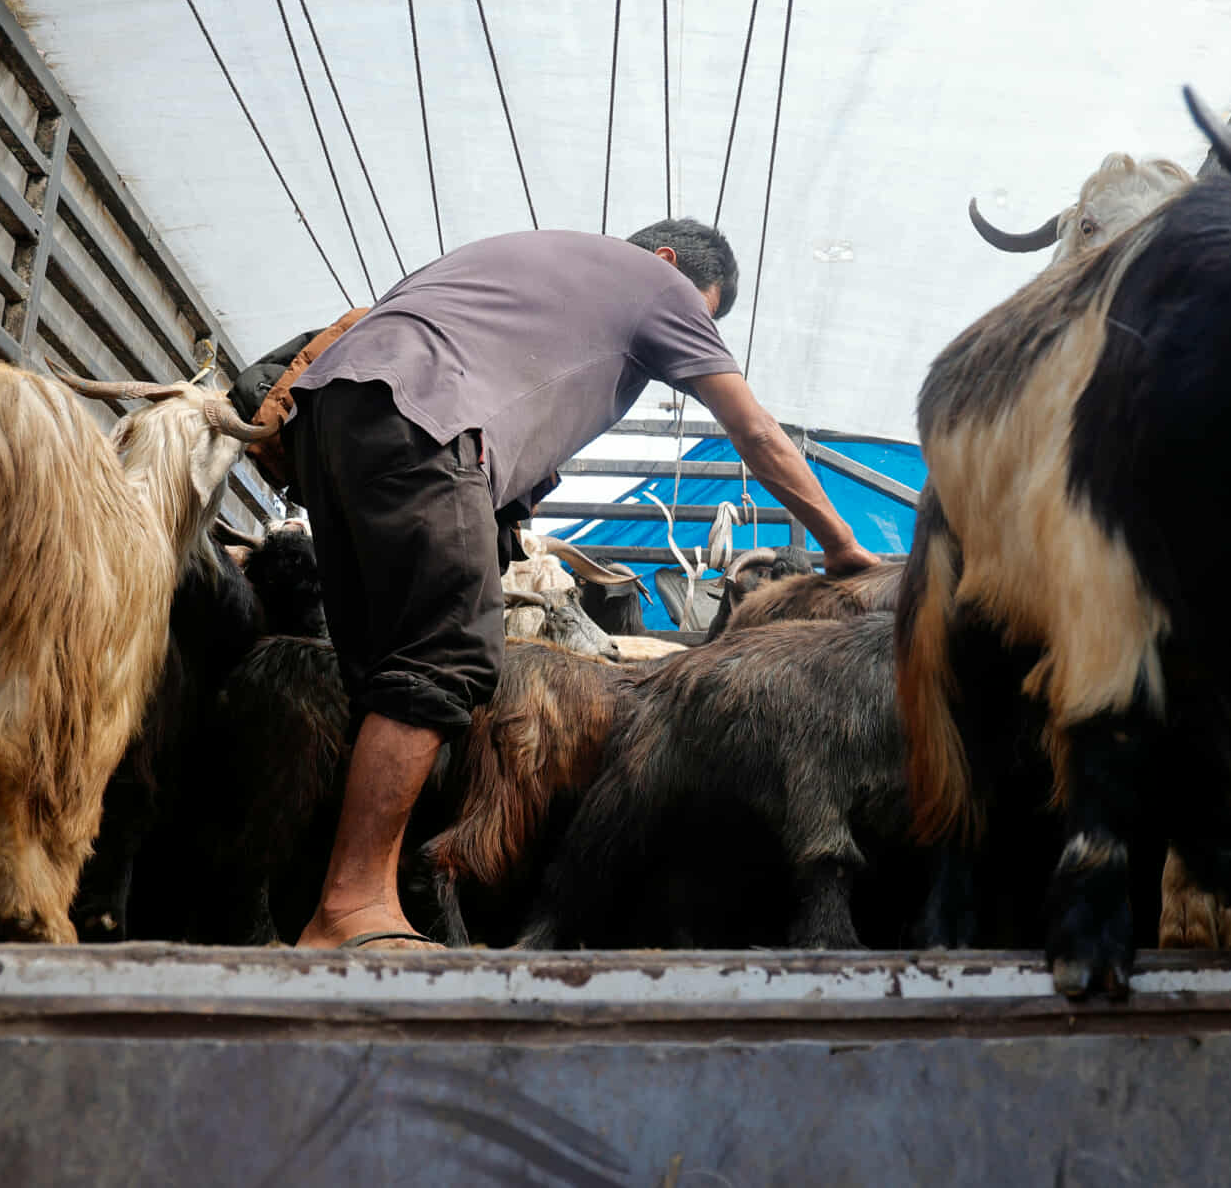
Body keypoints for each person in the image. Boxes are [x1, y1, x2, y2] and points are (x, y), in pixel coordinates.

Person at [276, 218, 883, 950]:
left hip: (327, 417)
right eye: (706, 312)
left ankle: (331, 910)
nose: (692, 339)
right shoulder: (656, 282)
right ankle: (350, 906)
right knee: (443, 660)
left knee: (378, 672)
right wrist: (842, 544)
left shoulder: (529, 259)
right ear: (670, 261)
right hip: (424, 421)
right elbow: (753, 431)